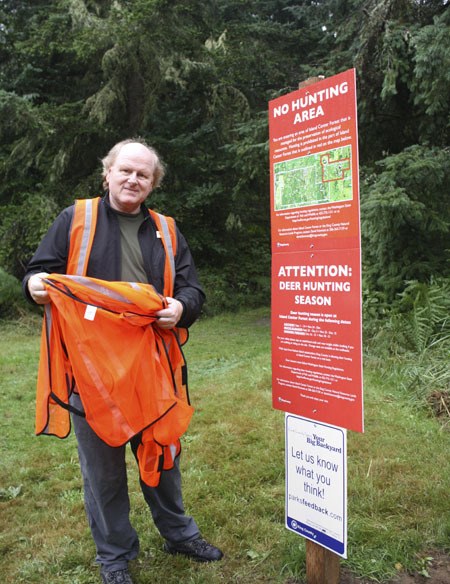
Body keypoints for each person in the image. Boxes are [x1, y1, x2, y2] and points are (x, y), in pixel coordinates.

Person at [23, 139, 223, 584]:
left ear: (153, 184)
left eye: (143, 175)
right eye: (125, 171)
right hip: (91, 370)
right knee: (104, 472)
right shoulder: (76, 219)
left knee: (164, 457)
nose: (133, 180)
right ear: (107, 173)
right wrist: (34, 284)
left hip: (152, 368)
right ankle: (115, 557)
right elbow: (39, 270)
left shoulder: (167, 231)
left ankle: (178, 533)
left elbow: (193, 290)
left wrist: (180, 308)